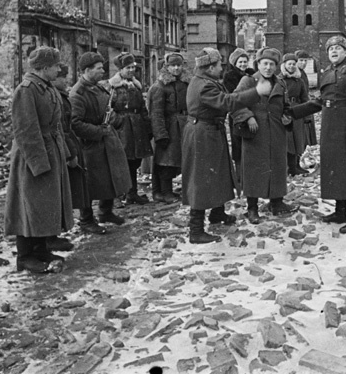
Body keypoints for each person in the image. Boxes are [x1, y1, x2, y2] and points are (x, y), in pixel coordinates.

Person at [182, 47, 272, 243]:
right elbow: (227, 102)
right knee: (202, 178)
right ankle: (195, 230)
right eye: (218, 65)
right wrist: (256, 92)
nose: (221, 69)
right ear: (208, 67)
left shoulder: (204, 81)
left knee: (219, 172)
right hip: (203, 134)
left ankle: (217, 213)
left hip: (209, 131)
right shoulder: (205, 85)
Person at [291, 36, 346, 234]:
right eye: (330, 49)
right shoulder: (326, 73)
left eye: (338, 48)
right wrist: (293, 112)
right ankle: (340, 211)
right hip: (330, 129)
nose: (333, 52)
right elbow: (320, 101)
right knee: (335, 169)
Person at [4, 46, 73, 273]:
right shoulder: (27, 90)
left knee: (45, 205)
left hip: (50, 151)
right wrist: (39, 163)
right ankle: (24, 256)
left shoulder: (47, 87)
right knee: (28, 205)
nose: (59, 69)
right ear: (44, 68)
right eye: (55, 66)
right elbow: (25, 130)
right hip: (31, 155)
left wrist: (63, 153)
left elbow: (56, 125)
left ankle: (41, 248)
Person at [232, 47, 299, 224]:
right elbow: (235, 102)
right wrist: (248, 117)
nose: (268, 68)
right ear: (258, 64)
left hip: (276, 131)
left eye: (272, 64)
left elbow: (284, 106)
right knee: (254, 168)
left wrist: (287, 118)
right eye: (265, 64)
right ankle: (252, 208)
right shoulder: (248, 81)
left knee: (277, 165)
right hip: (255, 132)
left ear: (276, 66)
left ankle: (276, 202)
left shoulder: (280, 83)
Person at [70, 52, 132, 228]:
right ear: (87, 70)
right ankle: (86, 219)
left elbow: (107, 108)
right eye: (98, 69)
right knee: (89, 184)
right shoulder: (78, 93)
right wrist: (98, 131)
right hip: (90, 145)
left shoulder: (97, 87)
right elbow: (75, 123)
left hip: (106, 141)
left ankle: (106, 212)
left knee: (109, 178)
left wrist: (114, 120)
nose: (103, 71)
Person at [52, 64, 100, 240]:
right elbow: (63, 126)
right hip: (65, 146)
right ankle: (55, 233)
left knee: (79, 186)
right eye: (63, 77)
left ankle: (86, 219)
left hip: (70, 144)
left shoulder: (60, 94)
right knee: (62, 190)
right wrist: (69, 153)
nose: (66, 81)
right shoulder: (61, 94)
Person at [107, 52, 153, 206]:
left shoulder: (137, 86)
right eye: (128, 67)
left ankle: (132, 193)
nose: (132, 70)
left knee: (135, 162)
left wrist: (147, 126)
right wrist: (119, 121)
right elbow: (108, 110)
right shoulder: (113, 87)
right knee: (122, 162)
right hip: (122, 130)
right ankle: (118, 195)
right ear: (120, 69)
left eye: (133, 67)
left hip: (137, 128)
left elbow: (142, 108)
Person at [149, 52, 189, 204]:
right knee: (166, 161)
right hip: (169, 127)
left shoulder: (185, 83)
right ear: (167, 67)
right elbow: (156, 113)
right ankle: (165, 192)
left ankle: (166, 191)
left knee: (178, 160)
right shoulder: (160, 87)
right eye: (173, 65)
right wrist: (160, 135)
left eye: (179, 65)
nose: (177, 68)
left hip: (183, 126)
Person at [223, 48, 255, 170]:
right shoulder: (230, 76)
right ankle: (240, 174)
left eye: (245, 61)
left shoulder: (252, 74)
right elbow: (233, 99)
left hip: (253, 112)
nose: (243, 64)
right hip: (238, 114)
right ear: (234, 63)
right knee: (238, 143)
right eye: (240, 62)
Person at [280, 52, 309, 176]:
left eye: (293, 64)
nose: (291, 66)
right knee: (288, 140)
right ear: (284, 65)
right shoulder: (279, 80)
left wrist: (307, 115)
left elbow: (305, 98)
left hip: (297, 111)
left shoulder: (299, 80)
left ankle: (296, 165)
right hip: (285, 111)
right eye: (289, 64)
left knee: (298, 139)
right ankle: (288, 166)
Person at [295, 50, 318, 147]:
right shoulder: (296, 73)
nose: (303, 63)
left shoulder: (303, 73)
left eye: (305, 61)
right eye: (301, 60)